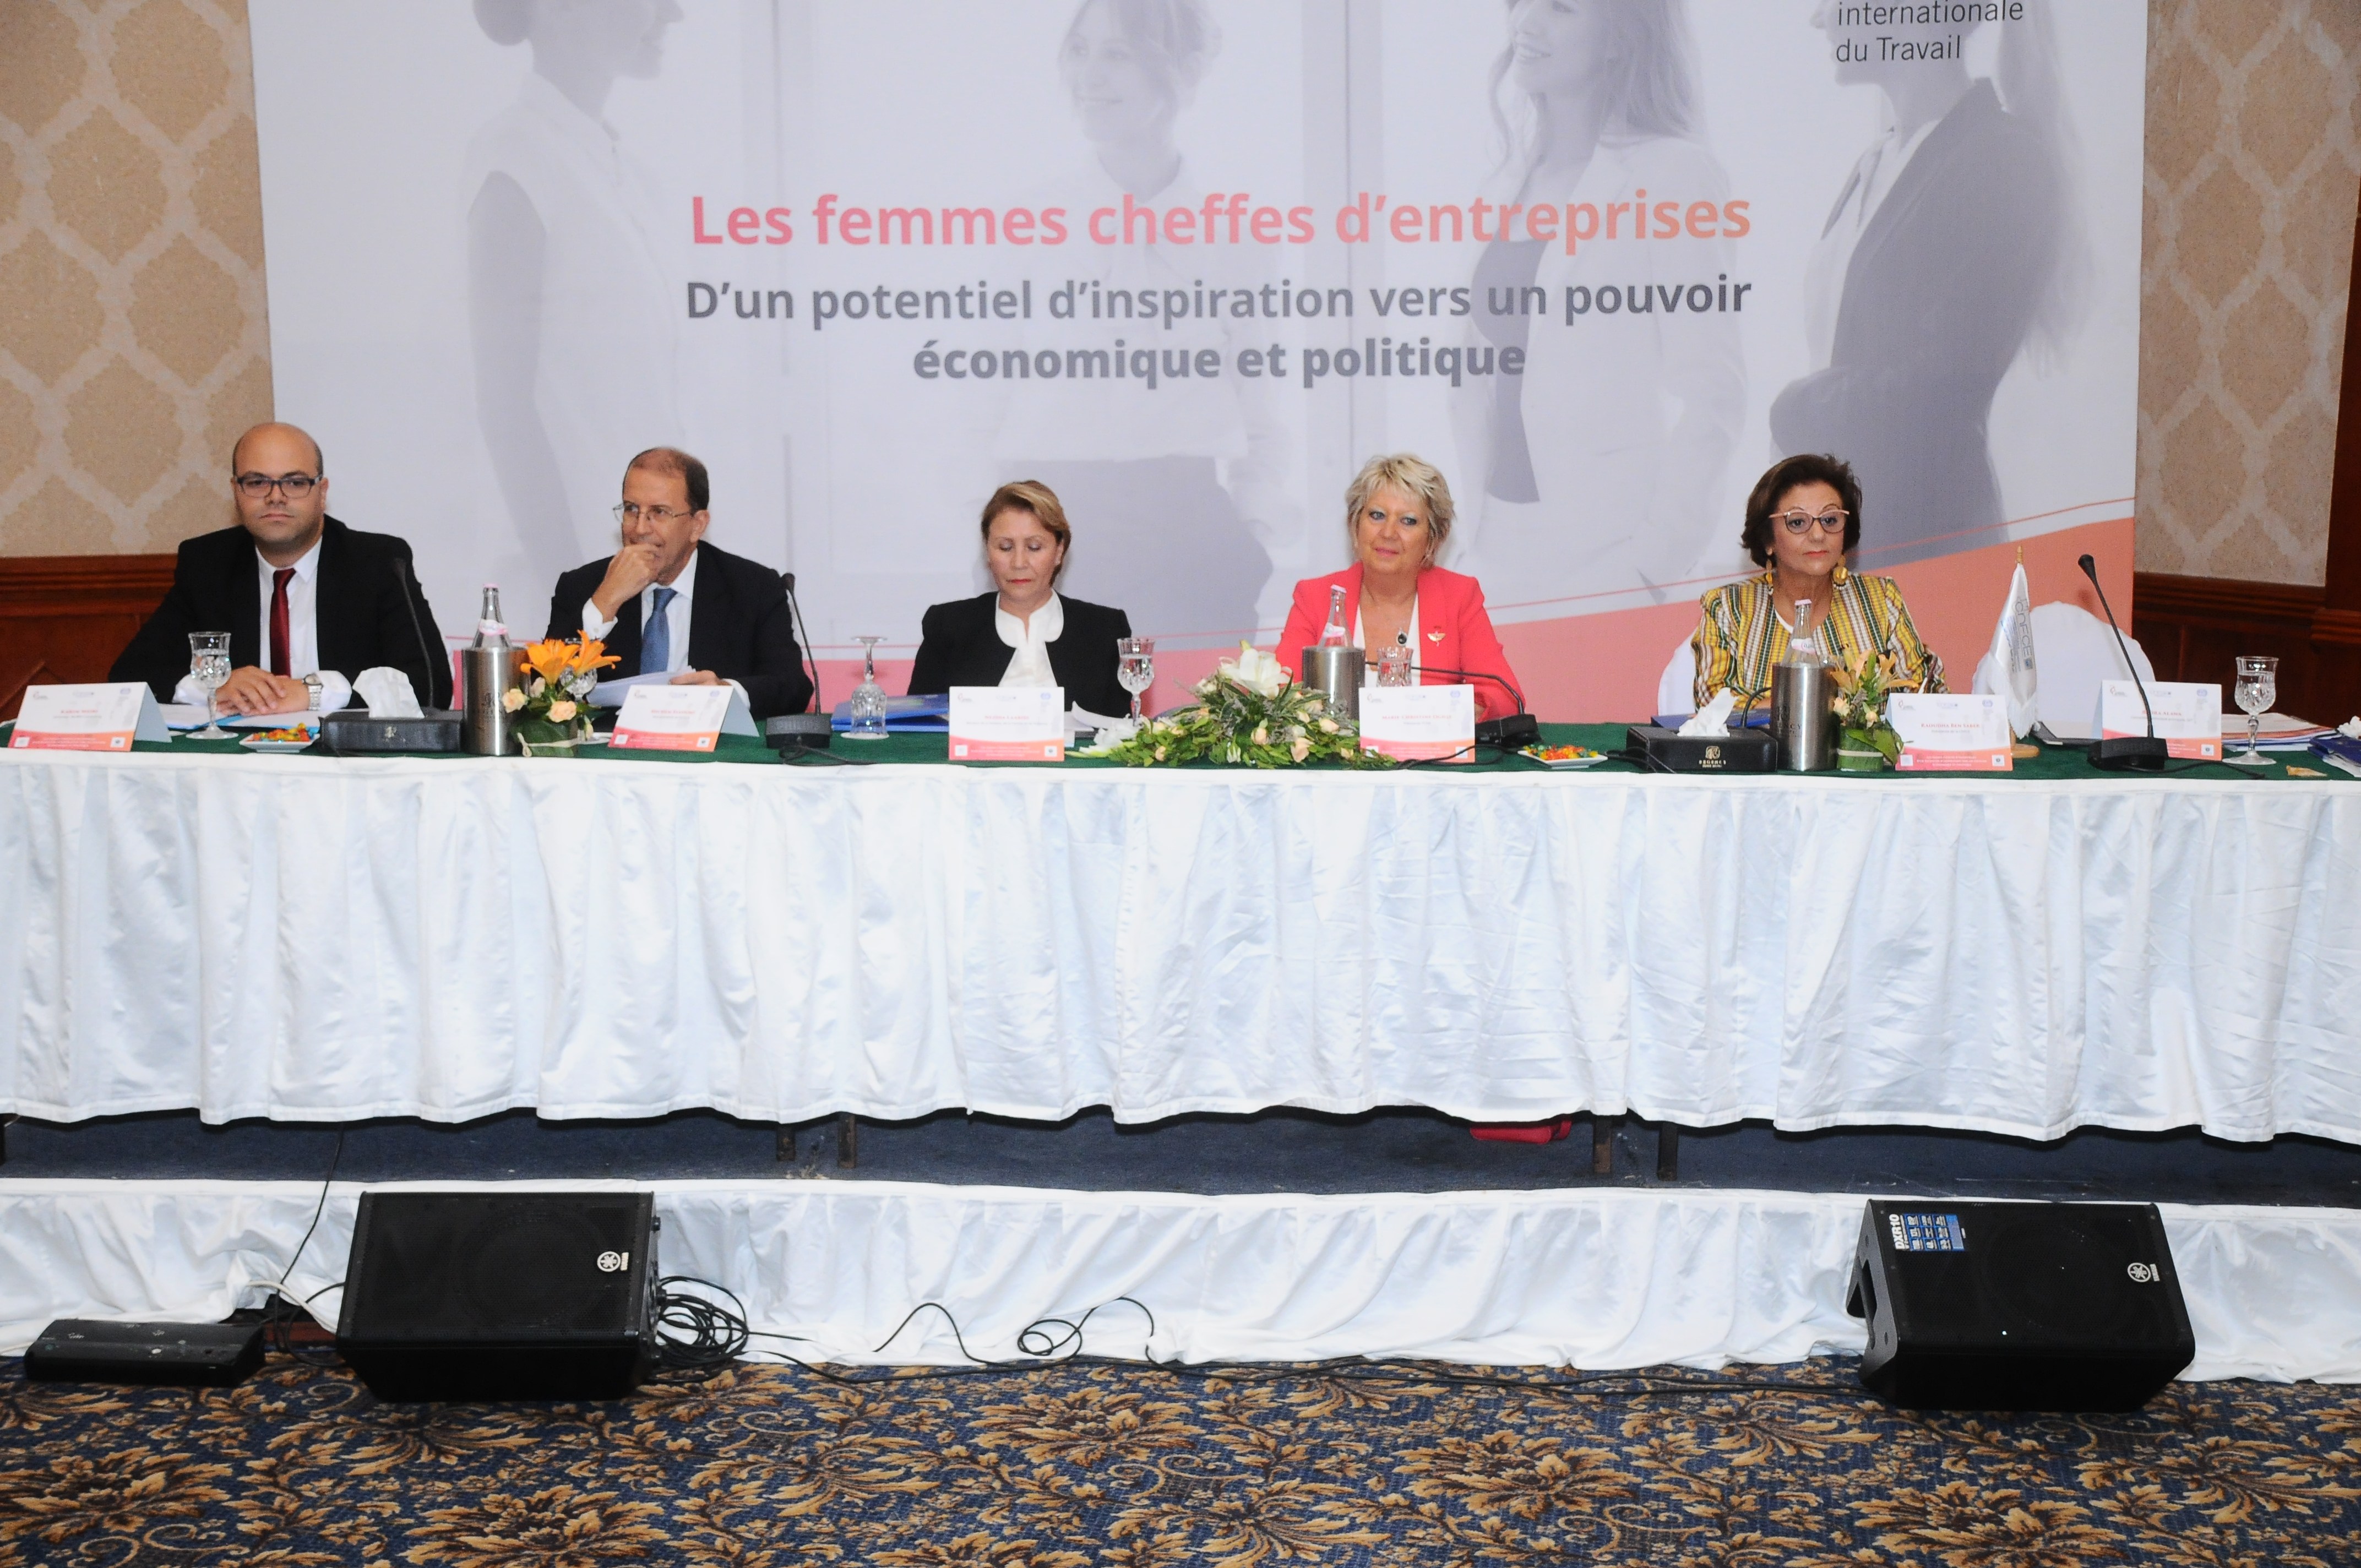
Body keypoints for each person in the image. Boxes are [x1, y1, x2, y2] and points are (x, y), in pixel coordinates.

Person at [992, 0, 1301, 638]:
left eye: (1117, 54)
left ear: (1180, 69)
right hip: (1051, 533)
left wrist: (1252, 528)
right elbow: (978, 409)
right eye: (1080, 51)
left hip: (1191, 538)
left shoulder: (1234, 236)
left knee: (1197, 705)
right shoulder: (1027, 224)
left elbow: (1261, 411)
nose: (1089, 76)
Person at [1449, 0, 1743, 606]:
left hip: (1610, 557)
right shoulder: (1505, 182)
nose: (1527, 21)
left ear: (1620, 37)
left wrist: (1649, 568)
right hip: (1493, 550)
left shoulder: (1673, 175)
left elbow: (1714, 394)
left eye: (1561, 7)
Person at [1769, 1, 2080, 566]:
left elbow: (1944, 388)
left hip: (1926, 547)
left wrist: (1792, 408)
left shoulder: (2001, 159)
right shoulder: (1877, 161)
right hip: (1849, 542)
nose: (1819, 19)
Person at [467, 0, 688, 586]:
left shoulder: (631, 176)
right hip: (578, 569)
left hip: (649, 562)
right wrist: (573, 588)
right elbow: (504, 400)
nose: (673, 13)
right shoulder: (516, 157)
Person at [111, 422, 451, 714]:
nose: (276, 497)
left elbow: (430, 685)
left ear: (322, 493)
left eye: (295, 482)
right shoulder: (208, 563)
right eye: (257, 482)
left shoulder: (377, 562)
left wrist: (315, 691)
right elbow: (129, 676)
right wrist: (213, 686)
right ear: (236, 492)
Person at [545, 447, 813, 720]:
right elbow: (543, 690)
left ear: (698, 525)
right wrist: (605, 603)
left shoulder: (753, 588)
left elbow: (792, 686)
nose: (640, 529)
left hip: (710, 745)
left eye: (659, 512)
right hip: (612, 745)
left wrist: (726, 693)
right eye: (632, 509)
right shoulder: (582, 586)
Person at [1276, 454, 1521, 722]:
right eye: (1377, 516)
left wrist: (1441, 716)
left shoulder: (1459, 597)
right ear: (1355, 526)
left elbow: (1504, 697)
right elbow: (1277, 693)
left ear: (1433, 539)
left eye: (1408, 521)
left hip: (1432, 749)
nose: (1388, 533)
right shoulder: (1316, 598)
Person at [1691, 453, 1943, 711]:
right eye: (1798, 522)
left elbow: (1924, 695)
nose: (1818, 534)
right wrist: (1829, 707)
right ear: (1768, 540)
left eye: (1830, 520)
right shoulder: (1729, 607)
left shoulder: (1880, 598)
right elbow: (1715, 706)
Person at [906, 481, 1133, 718]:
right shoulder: (948, 626)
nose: (1018, 563)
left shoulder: (1105, 629)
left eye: (1034, 547)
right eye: (1005, 547)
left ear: (1059, 552)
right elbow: (918, 725)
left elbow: (1121, 730)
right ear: (988, 552)